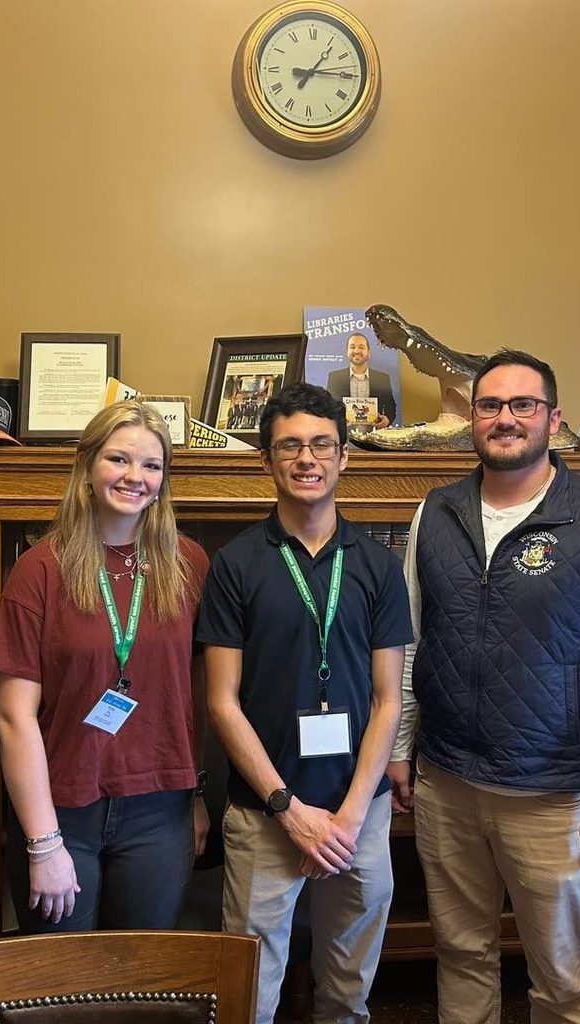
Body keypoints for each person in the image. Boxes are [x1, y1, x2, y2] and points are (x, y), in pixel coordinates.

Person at [388, 350, 580, 1024]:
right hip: (448, 784)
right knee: (460, 954)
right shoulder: (438, 512)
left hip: (554, 797)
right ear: (471, 420)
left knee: (562, 979)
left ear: (553, 420)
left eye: (523, 405)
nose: (505, 418)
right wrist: (402, 748)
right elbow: (409, 642)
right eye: (490, 406)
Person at [199, 382, 413, 1024]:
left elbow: (387, 700)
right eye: (288, 446)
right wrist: (289, 810)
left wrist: (346, 817)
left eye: (321, 444)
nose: (306, 459)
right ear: (266, 461)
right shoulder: (234, 565)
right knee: (249, 993)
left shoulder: (376, 565)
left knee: (349, 990)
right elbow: (221, 704)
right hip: (265, 814)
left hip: (361, 817)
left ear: (344, 457)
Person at [0, 400, 209, 932]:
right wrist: (42, 844)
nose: (136, 477)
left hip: (160, 810)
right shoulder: (39, 569)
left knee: (139, 980)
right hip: (62, 810)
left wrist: (196, 797)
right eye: (119, 460)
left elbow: (194, 693)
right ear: (86, 468)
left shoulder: (189, 565)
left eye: (152, 465)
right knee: (62, 988)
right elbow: (14, 717)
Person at [326, 332, 397, 427]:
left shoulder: (382, 378)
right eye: (352, 347)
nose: (357, 350)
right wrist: (338, 421)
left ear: (369, 353)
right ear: (347, 352)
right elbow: (329, 407)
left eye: (361, 347)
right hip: (344, 437)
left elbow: (390, 407)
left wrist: (387, 420)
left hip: (374, 437)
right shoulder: (335, 378)